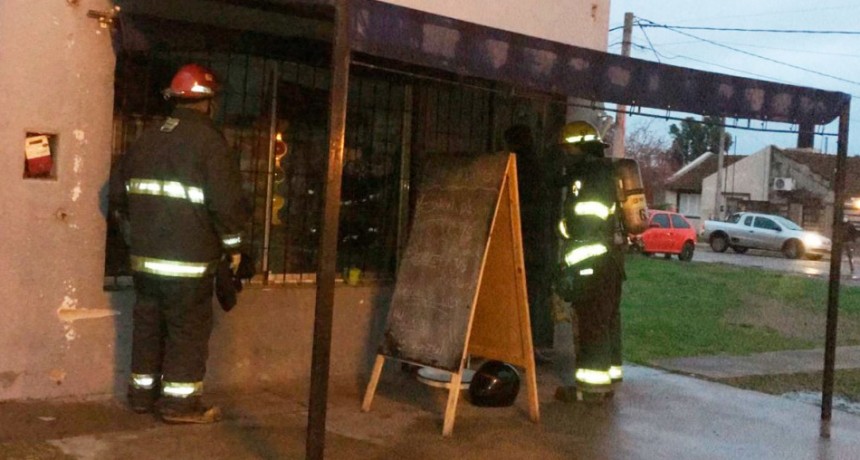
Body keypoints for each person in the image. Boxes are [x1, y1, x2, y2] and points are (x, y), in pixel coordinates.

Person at [110, 63, 249, 423]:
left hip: (144, 261)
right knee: (187, 331)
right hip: (189, 264)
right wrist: (235, 247)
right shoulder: (210, 143)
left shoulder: (147, 138)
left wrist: (138, 234)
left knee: (148, 326)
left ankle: (141, 396)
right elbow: (226, 204)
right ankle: (179, 404)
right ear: (208, 102)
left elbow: (117, 196)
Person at [551, 120, 631, 402]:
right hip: (610, 262)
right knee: (607, 321)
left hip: (594, 264)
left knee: (592, 323)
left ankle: (591, 390)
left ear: (580, 147)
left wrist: (563, 227)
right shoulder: (602, 172)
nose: (564, 154)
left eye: (568, 149)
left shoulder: (590, 177)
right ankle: (608, 380)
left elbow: (584, 221)